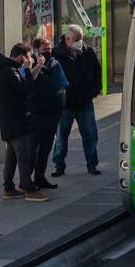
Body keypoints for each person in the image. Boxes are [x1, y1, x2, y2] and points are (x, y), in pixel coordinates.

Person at [0, 43, 49, 201]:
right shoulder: (9, 71)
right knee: (23, 156)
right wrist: (30, 69)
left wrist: (34, 69)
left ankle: (9, 187)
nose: (30, 59)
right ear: (22, 57)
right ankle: (29, 189)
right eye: (29, 56)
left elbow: (21, 86)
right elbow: (25, 88)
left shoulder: (5, 69)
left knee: (11, 156)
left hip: (9, 120)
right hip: (17, 121)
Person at [52, 25, 103, 176]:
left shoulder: (88, 52)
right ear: (67, 39)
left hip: (85, 102)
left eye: (81, 39)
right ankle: (58, 165)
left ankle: (92, 164)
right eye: (76, 39)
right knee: (61, 137)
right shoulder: (57, 54)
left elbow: (97, 72)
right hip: (65, 105)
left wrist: (93, 92)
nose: (80, 42)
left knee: (91, 135)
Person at [27, 36, 68, 189]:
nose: (48, 49)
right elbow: (27, 81)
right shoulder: (30, 64)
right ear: (37, 50)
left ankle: (39, 178)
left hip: (53, 114)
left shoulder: (56, 64)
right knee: (32, 151)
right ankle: (26, 181)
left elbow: (64, 85)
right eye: (45, 47)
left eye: (49, 47)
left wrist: (62, 104)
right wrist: (37, 66)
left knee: (45, 149)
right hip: (37, 114)